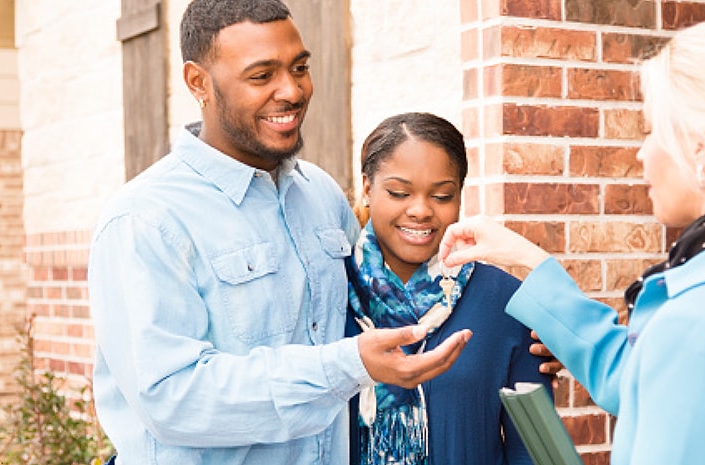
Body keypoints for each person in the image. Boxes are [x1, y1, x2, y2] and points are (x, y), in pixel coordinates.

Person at [87, 1, 472, 464]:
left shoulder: (323, 196)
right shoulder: (145, 220)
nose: (291, 90)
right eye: (261, 75)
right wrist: (345, 367)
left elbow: (382, 304)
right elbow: (172, 399)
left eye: (300, 67)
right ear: (198, 82)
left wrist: (519, 338)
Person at [438, 18, 705, 465]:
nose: (642, 152)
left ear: (700, 147)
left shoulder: (701, 324)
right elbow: (637, 376)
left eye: (651, 130)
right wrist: (530, 259)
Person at [344, 112, 554, 465]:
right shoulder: (327, 293)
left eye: (442, 196)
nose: (421, 210)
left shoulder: (507, 301)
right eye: (399, 192)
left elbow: (535, 450)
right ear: (367, 188)